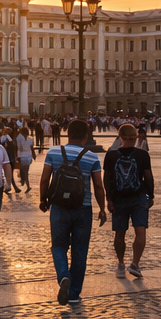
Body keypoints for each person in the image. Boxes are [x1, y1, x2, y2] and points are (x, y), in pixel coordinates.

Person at [39, 120, 108, 306]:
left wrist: (43, 200)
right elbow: (99, 186)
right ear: (86, 136)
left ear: (66, 133)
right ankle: (74, 293)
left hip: (59, 207)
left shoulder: (54, 152)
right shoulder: (91, 157)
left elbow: (44, 179)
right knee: (80, 250)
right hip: (83, 209)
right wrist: (102, 208)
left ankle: (63, 277)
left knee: (58, 246)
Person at [104, 123, 154, 278]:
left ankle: (120, 264)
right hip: (139, 198)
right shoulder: (143, 155)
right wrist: (150, 196)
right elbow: (149, 177)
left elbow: (107, 179)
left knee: (119, 234)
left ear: (120, 137)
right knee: (140, 231)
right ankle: (135, 264)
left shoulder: (111, 155)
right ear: (136, 137)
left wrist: (109, 198)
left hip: (119, 199)